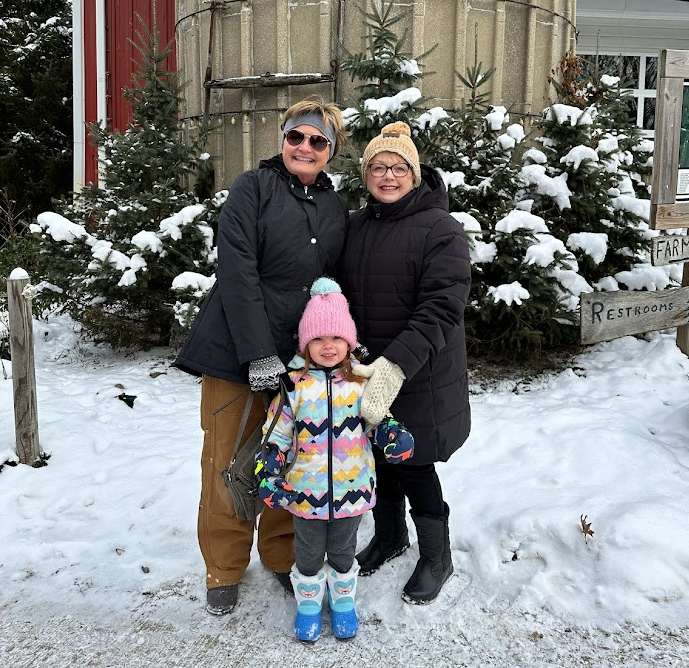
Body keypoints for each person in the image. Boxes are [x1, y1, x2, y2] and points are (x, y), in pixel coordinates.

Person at [174, 96, 349, 616]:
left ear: (330, 151)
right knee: (228, 464)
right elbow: (237, 273)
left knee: (292, 462)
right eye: (297, 135)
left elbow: (332, 287)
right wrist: (256, 354)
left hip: (300, 362)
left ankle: (281, 555)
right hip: (235, 353)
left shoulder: (336, 208)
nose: (305, 146)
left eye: (318, 140)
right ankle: (224, 567)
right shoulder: (253, 188)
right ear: (284, 139)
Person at [338, 121, 472, 605]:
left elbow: (442, 306)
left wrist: (394, 366)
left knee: (413, 464)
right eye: (378, 166)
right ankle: (391, 537)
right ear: (365, 174)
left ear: (414, 175)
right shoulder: (355, 225)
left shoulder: (440, 229)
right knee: (378, 459)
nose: (388, 175)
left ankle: (437, 557)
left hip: (420, 374)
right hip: (363, 370)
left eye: (398, 167)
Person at [255, 277, 414, 642]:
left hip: (352, 490)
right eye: (319, 339)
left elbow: (377, 421)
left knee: (343, 551)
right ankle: (309, 604)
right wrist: (269, 471)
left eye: (336, 338)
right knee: (308, 553)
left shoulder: (360, 385)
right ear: (305, 343)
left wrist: (392, 434)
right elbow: (277, 434)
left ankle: (343, 601)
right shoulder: (294, 386)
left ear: (350, 342)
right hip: (303, 492)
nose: (328, 346)